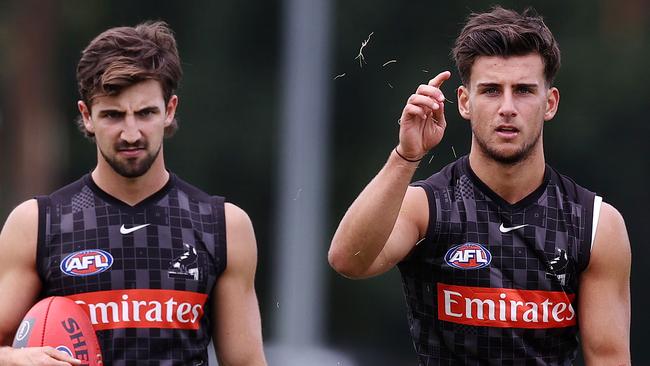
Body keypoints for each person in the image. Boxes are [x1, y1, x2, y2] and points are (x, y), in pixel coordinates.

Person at [328, 6, 630, 365]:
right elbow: (348, 261)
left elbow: (609, 358)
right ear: (464, 102)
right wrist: (406, 156)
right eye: (490, 90)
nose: (507, 107)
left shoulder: (594, 224)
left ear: (549, 103)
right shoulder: (428, 207)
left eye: (523, 90)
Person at [0, 21, 267, 365]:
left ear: (169, 110)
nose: (130, 133)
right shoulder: (38, 224)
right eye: (112, 115)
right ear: (87, 115)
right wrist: (17, 360)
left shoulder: (223, 225)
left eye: (145, 113)